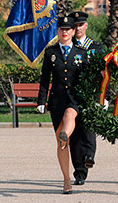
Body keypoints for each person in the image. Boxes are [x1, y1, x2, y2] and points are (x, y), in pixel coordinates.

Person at [37, 16, 88, 194]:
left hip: (75, 99)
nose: (65, 32)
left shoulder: (81, 53)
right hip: (57, 100)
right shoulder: (50, 53)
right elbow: (45, 79)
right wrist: (41, 100)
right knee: (61, 143)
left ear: (73, 32)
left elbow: (87, 79)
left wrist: (94, 99)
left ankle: (67, 132)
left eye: (68, 29)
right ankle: (66, 179)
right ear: (57, 31)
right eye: (61, 29)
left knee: (70, 115)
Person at [67, 11, 106, 186]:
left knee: (88, 129)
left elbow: (105, 74)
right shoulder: (66, 46)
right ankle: (79, 172)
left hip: (90, 95)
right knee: (74, 135)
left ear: (86, 26)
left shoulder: (96, 48)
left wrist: (104, 96)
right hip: (72, 96)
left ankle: (89, 157)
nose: (78, 28)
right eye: (75, 25)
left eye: (81, 25)